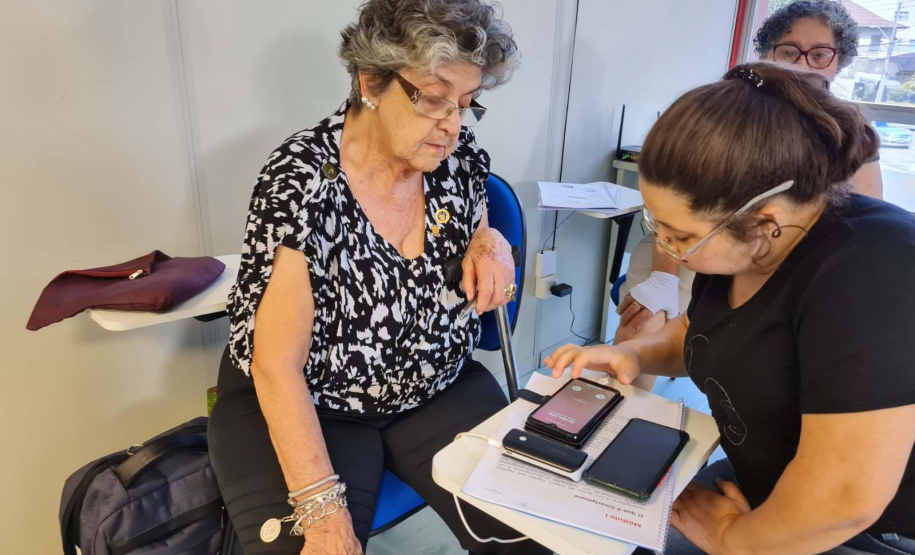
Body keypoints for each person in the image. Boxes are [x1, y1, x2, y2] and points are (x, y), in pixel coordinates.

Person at [207, 2, 551, 554]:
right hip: (315, 401)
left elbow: (480, 217)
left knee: (541, 538)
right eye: (434, 99)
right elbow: (276, 366)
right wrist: (322, 511)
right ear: (371, 81)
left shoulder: (455, 157)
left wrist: (492, 241)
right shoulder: (301, 180)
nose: (452, 125)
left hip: (436, 388)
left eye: (466, 104)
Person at [546, 61, 915, 555]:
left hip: (861, 527)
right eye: (658, 227)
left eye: (683, 237)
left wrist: (731, 539)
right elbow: (703, 334)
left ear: (766, 220)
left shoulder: (872, 272)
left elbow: (846, 498)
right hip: (764, 487)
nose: (669, 251)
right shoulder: (742, 249)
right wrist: (637, 355)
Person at [615, 0, 883, 390]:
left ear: (838, 59)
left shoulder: (848, 138)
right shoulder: (735, 116)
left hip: (776, 270)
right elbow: (676, 218)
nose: (803, 64)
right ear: (769, 51)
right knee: (642, 321)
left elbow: (862, 219)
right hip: (704, 248)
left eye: (820, 53)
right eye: (789, 51)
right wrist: (663, 278)